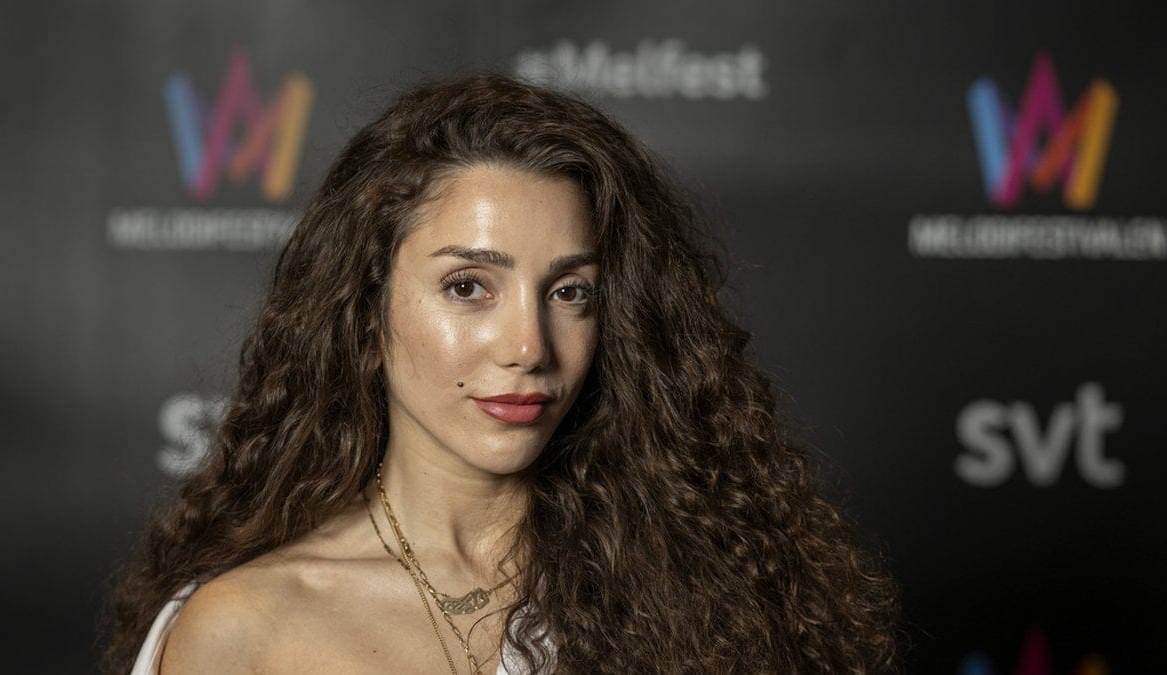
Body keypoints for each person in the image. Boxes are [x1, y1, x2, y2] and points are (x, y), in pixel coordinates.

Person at [102, 74, 899, 674]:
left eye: (569, 292)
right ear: (365, 316)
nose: (528, 346)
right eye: (467, 287)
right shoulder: (241, 629)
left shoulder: (707, 590)